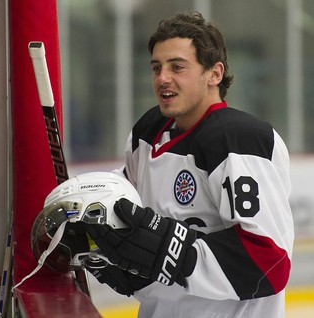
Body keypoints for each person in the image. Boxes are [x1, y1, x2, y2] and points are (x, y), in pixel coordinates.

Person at [82, 11, 294, 318]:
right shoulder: (147, 133)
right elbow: (130, 221)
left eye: (177, 67)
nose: (162, 78)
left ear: (214, 73)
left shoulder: (240, 141)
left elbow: (267, 266)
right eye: (156, 67)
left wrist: (172, 253)